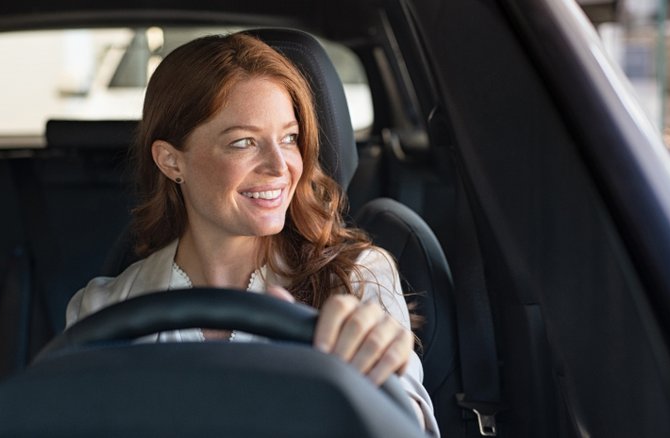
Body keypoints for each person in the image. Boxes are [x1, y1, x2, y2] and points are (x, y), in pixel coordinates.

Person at [65, 31, 438, 435]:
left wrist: (375, 376)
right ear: (172, 161)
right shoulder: (102, 311)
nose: (280, 166)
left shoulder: (356, 279)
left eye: (289, 138)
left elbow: (410, 427)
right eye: (244, 142)